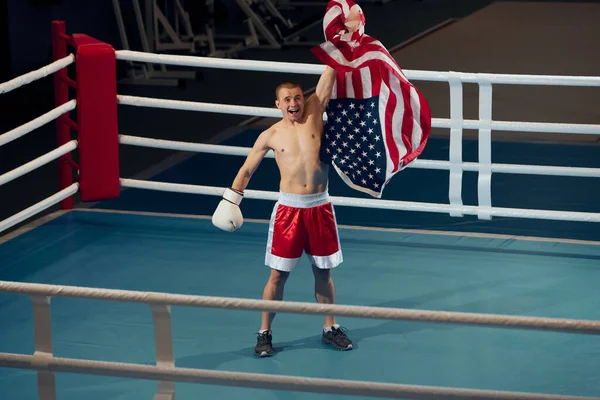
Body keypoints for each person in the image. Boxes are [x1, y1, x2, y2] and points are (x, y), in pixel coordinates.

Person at [211, 65, 353, 357]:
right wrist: (231, 200)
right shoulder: (270, 135)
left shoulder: (314, 116)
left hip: (320, 206)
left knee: (323, 273)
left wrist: (340, 38)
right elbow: (247, 169)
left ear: (305, 98)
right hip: (290, 211)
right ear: (277, 104)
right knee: (278, 277)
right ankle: (264, 333)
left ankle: (330, 328)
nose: (293, 104)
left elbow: (329, 76)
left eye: (298, 97)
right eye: (287, 99)